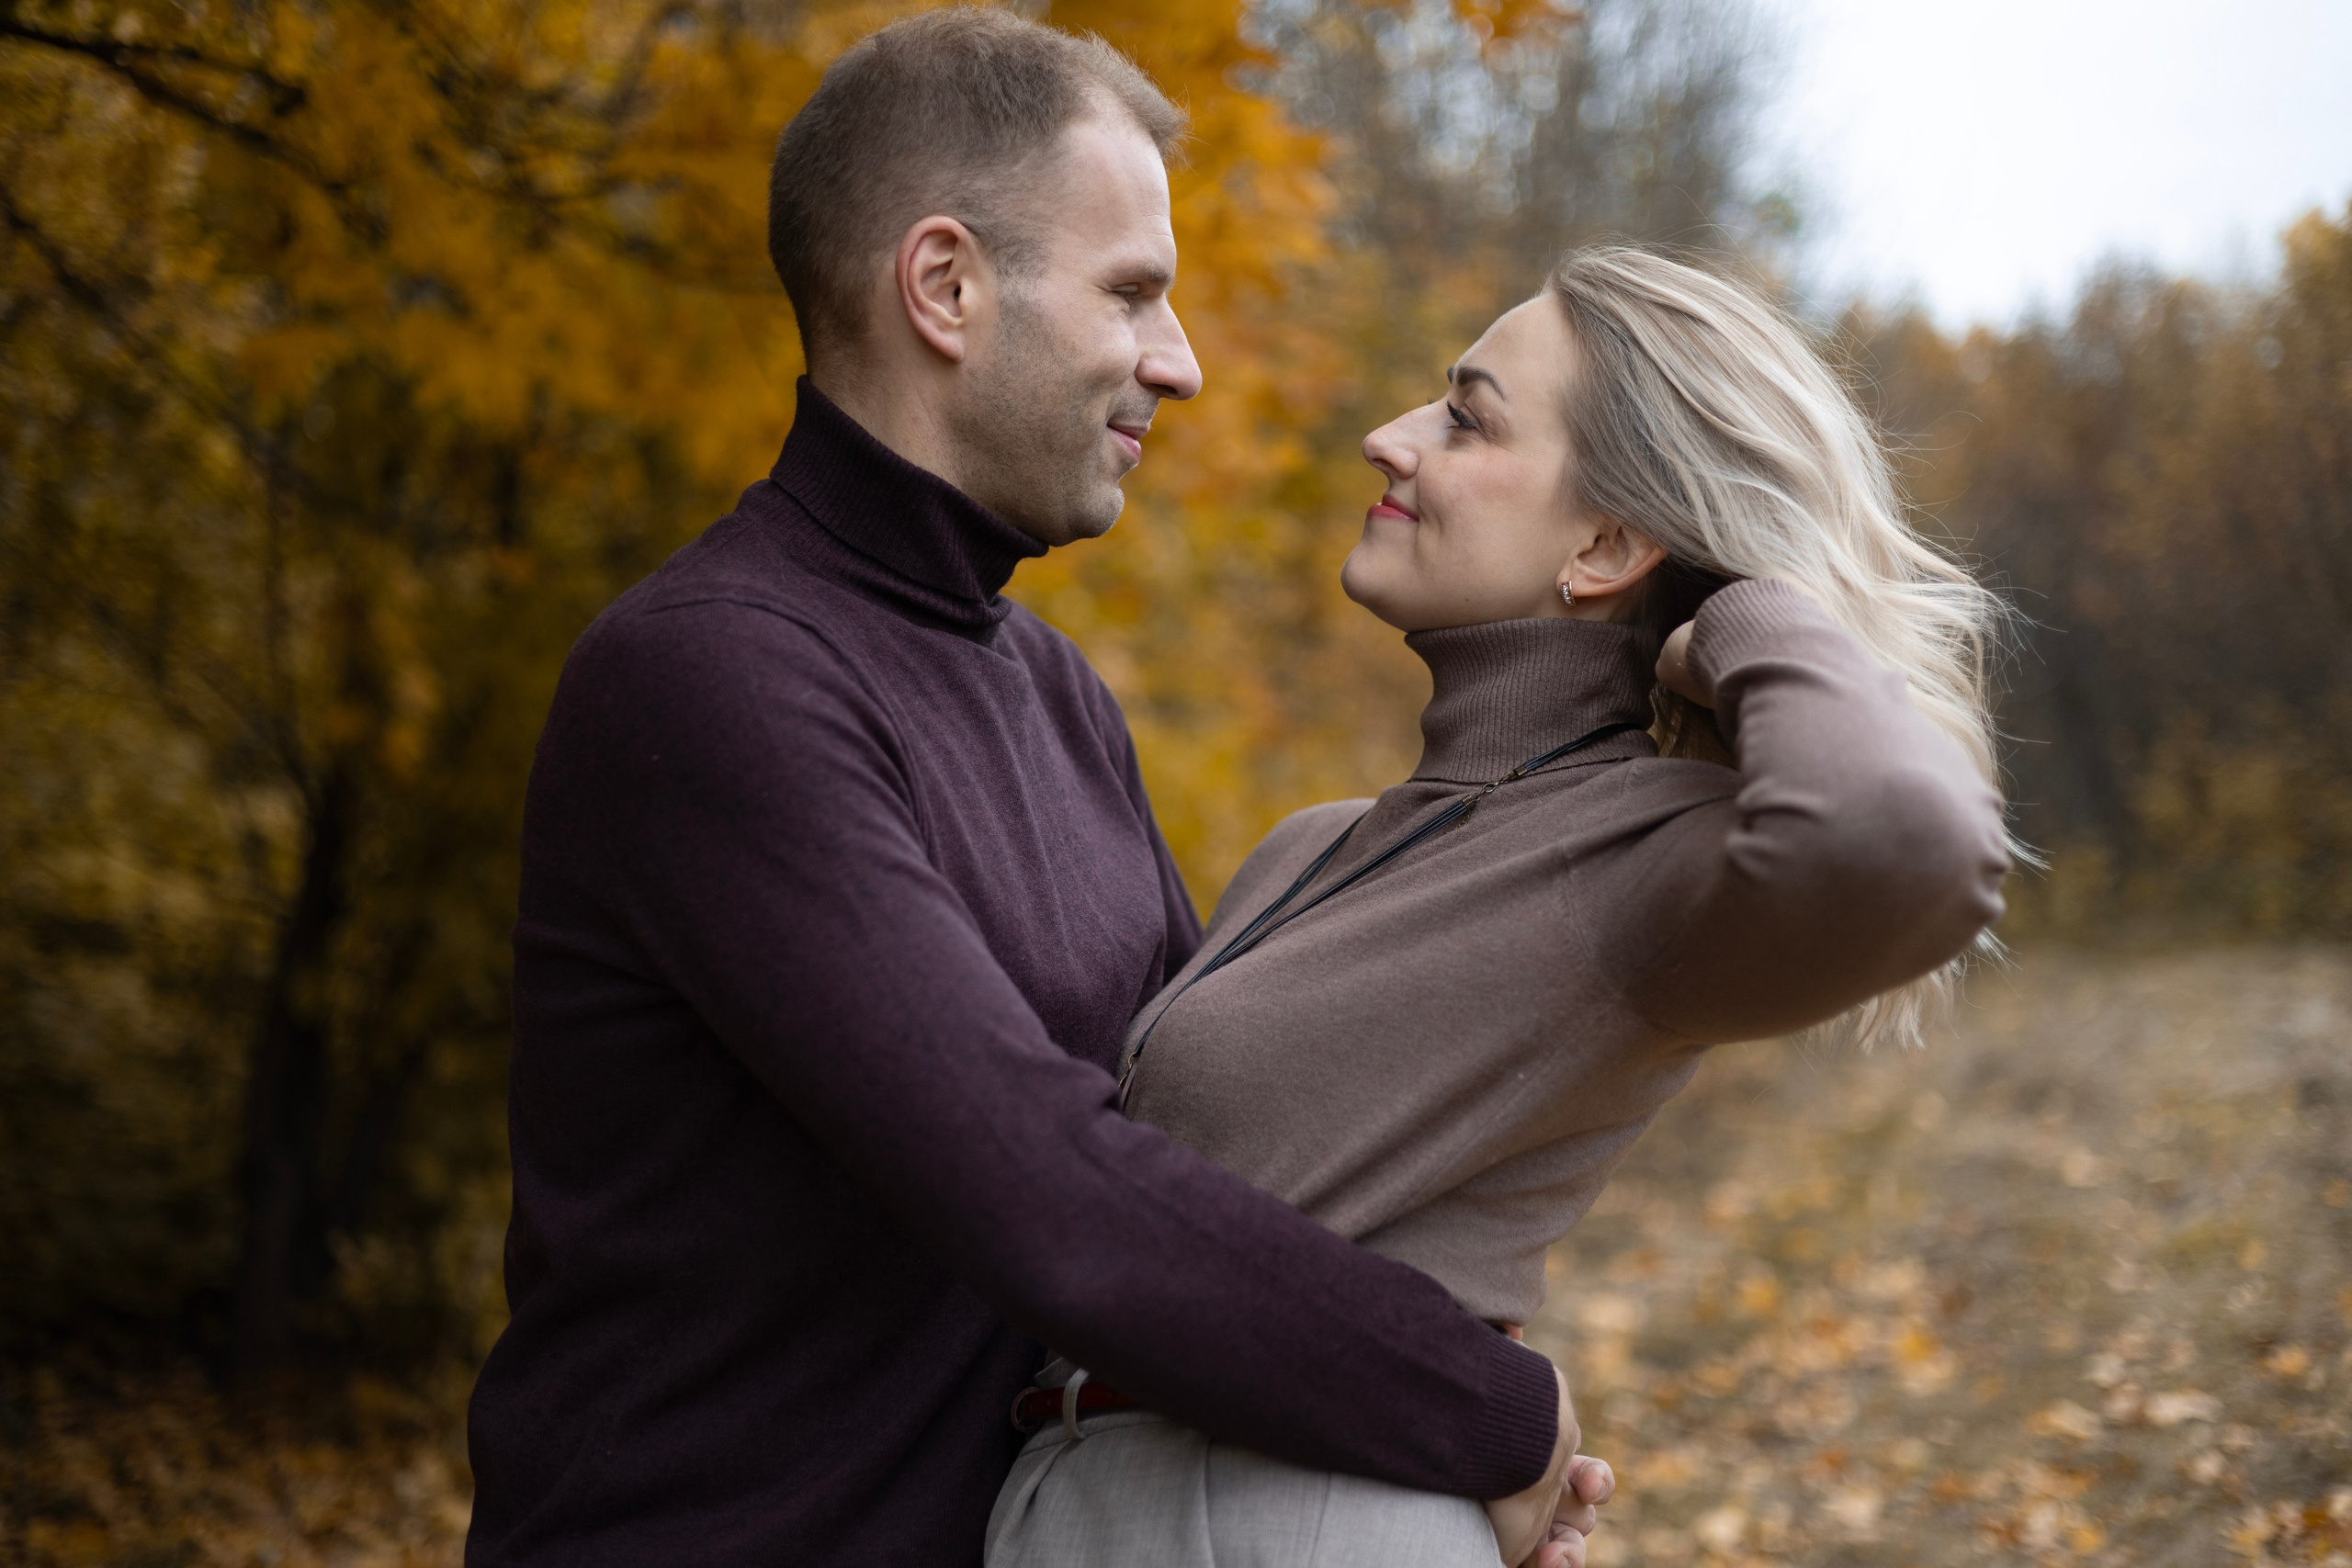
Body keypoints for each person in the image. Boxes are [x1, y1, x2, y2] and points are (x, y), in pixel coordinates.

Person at [465, 11, 1610, 1567]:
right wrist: (1493, 1415)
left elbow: (1193, 1163)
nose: (1181, 363)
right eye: (1133, 292)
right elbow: (1053, 1197)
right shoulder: (713, 681)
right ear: (945, 287)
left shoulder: (1052, 691)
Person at [985, 247, 2015, 1566]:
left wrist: (1749, 616)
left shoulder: (1642, 856)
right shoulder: (1310, 850)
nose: (1389, 439)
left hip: (1283, 1516)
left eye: (1466, 419)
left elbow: (1910, 843)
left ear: (1606, 545)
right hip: (1080, 1500)